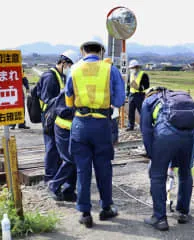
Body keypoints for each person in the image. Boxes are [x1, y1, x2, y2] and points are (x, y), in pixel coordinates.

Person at [65, 41, 125, 228]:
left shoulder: (73, 69)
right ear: (101, 52)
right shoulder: (110, 69)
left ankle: (84, 213)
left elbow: (68, 99)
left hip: (80, 124)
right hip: (102, 124)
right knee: (104, 169)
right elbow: (119, 99)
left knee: (83, 170)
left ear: (82, 51)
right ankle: (106, 208)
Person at [141, 87, 194, 231]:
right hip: (190, 135)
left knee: (157, 175)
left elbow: (146, 130)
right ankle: (183, 213)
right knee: (185, 172)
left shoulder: (148, 102)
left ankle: (160, 218)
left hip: (166, 136)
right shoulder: (179, 96)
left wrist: (152, 155)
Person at [36, 50, 74, 183]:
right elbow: (48, 99)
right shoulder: (50, 77)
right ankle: (50, 177)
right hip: (49, 116)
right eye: (70, 65)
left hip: (54, 115)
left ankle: (57, 175)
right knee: (51, 147)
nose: (70, 69)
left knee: (57, 148)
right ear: (63, 63)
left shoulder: (60, 76)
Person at [47, 90, 77, 202]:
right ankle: (54, 185)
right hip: (64, 130)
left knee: (76, 160)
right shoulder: (68, 91)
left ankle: (69, 191)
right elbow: (62, 111)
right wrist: (80, 112)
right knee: (70, 160)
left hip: (77, 130)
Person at [126, 59, 149, 131]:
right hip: (131, 95)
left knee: (141, 112)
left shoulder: (143, 74)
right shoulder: (130, 74)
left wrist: (139, 88)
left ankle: (143, 126)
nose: (132, 69)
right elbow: (128, 85)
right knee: (131, 112)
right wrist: (127, 94)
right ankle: (130, 126)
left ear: (137, 67)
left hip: (139, 95)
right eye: (131, 68)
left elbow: (146, 86)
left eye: (133, 68)